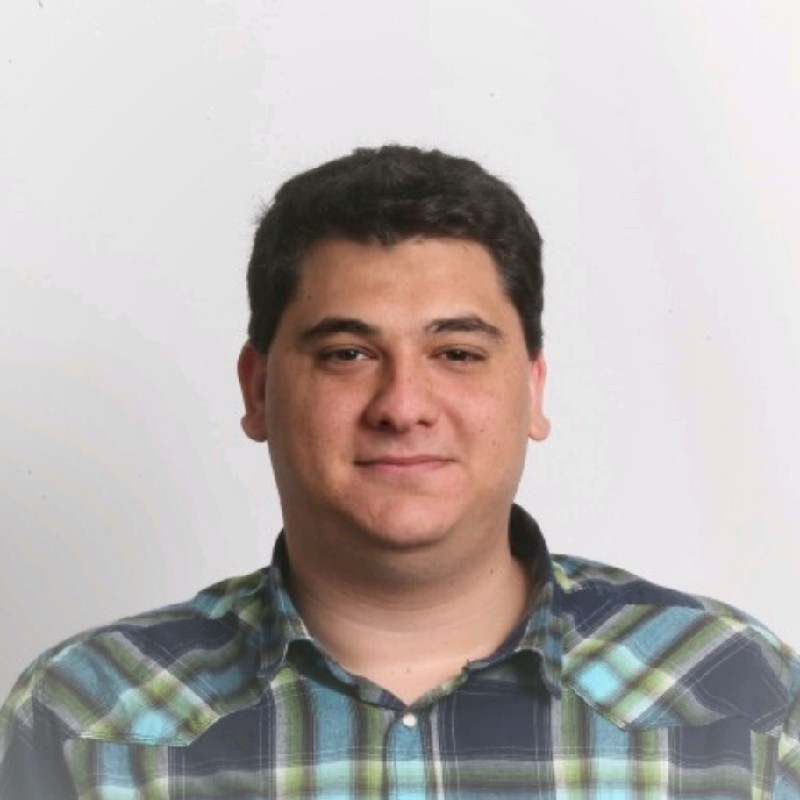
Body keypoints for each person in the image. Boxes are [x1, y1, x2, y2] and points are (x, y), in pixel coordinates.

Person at [1, 145, 798, 798]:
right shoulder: (89, 720)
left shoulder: (737, 696)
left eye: (457, 353)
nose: (403, 405)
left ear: (532, 389)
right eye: (348, 353)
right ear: (258, 388)